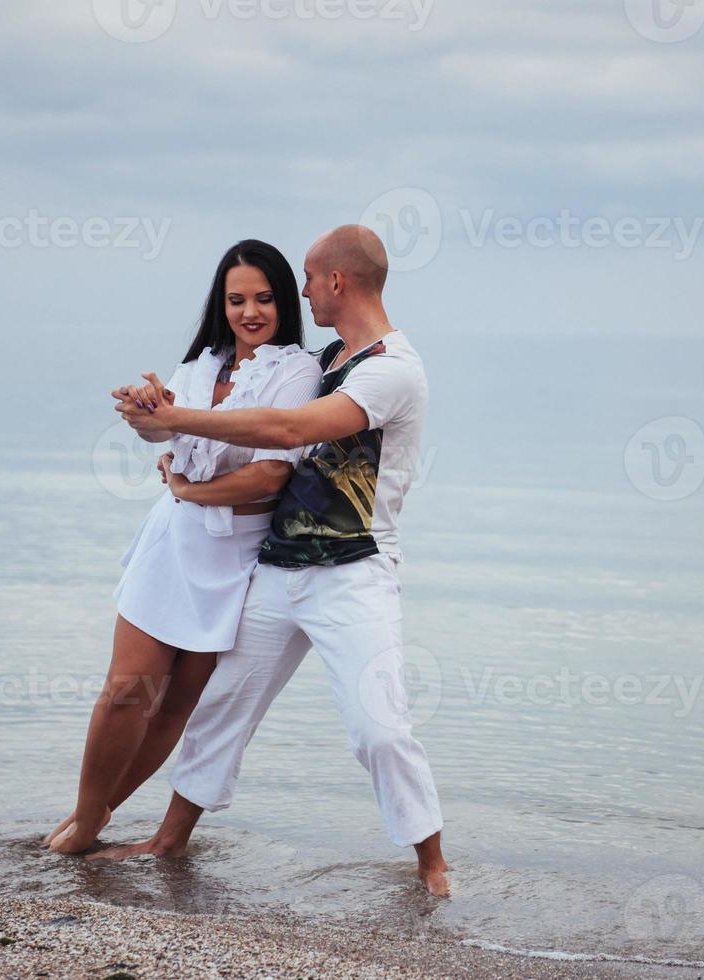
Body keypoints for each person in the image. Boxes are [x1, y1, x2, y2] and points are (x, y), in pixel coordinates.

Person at [96, 225, 450, 896]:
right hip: (279, 567)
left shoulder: (392, 369)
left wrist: (185, 417)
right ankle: (168, 839)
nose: (304, 291)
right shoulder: (324, 359)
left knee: (377, 725)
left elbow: (287, 430)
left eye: (311, 280)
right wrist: (161, 424)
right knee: (220, 708)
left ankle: (432, 864)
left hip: (353, 573)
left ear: (338, 281)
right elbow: (240, 429)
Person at [45, 240, 322, 854]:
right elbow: (158, 429)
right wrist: (140, 408)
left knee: (173, 709)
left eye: (264, 298)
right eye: (237, 299)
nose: (250, 311)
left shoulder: (299, 371)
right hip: (170, 547)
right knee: (126, 692)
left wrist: (187, 489)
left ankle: (91, 822)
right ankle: (85, 821)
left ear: (283, 302)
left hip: (235, 557)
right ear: (219, 305)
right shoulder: (199, 368)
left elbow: (271, 476)